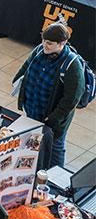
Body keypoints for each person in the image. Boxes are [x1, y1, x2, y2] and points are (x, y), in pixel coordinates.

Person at [13, 23, 85, 166]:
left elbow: (71, 100)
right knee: (34, 141)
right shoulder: (39, 50)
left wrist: (53, 119)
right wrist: (17, 80)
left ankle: (55, 181)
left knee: (55, 148)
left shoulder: (72, 65)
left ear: (62, 43)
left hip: (53, 121)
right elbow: (26, 66)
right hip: (33, 110)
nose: (44, 45)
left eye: (49, 43)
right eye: (43, 41)